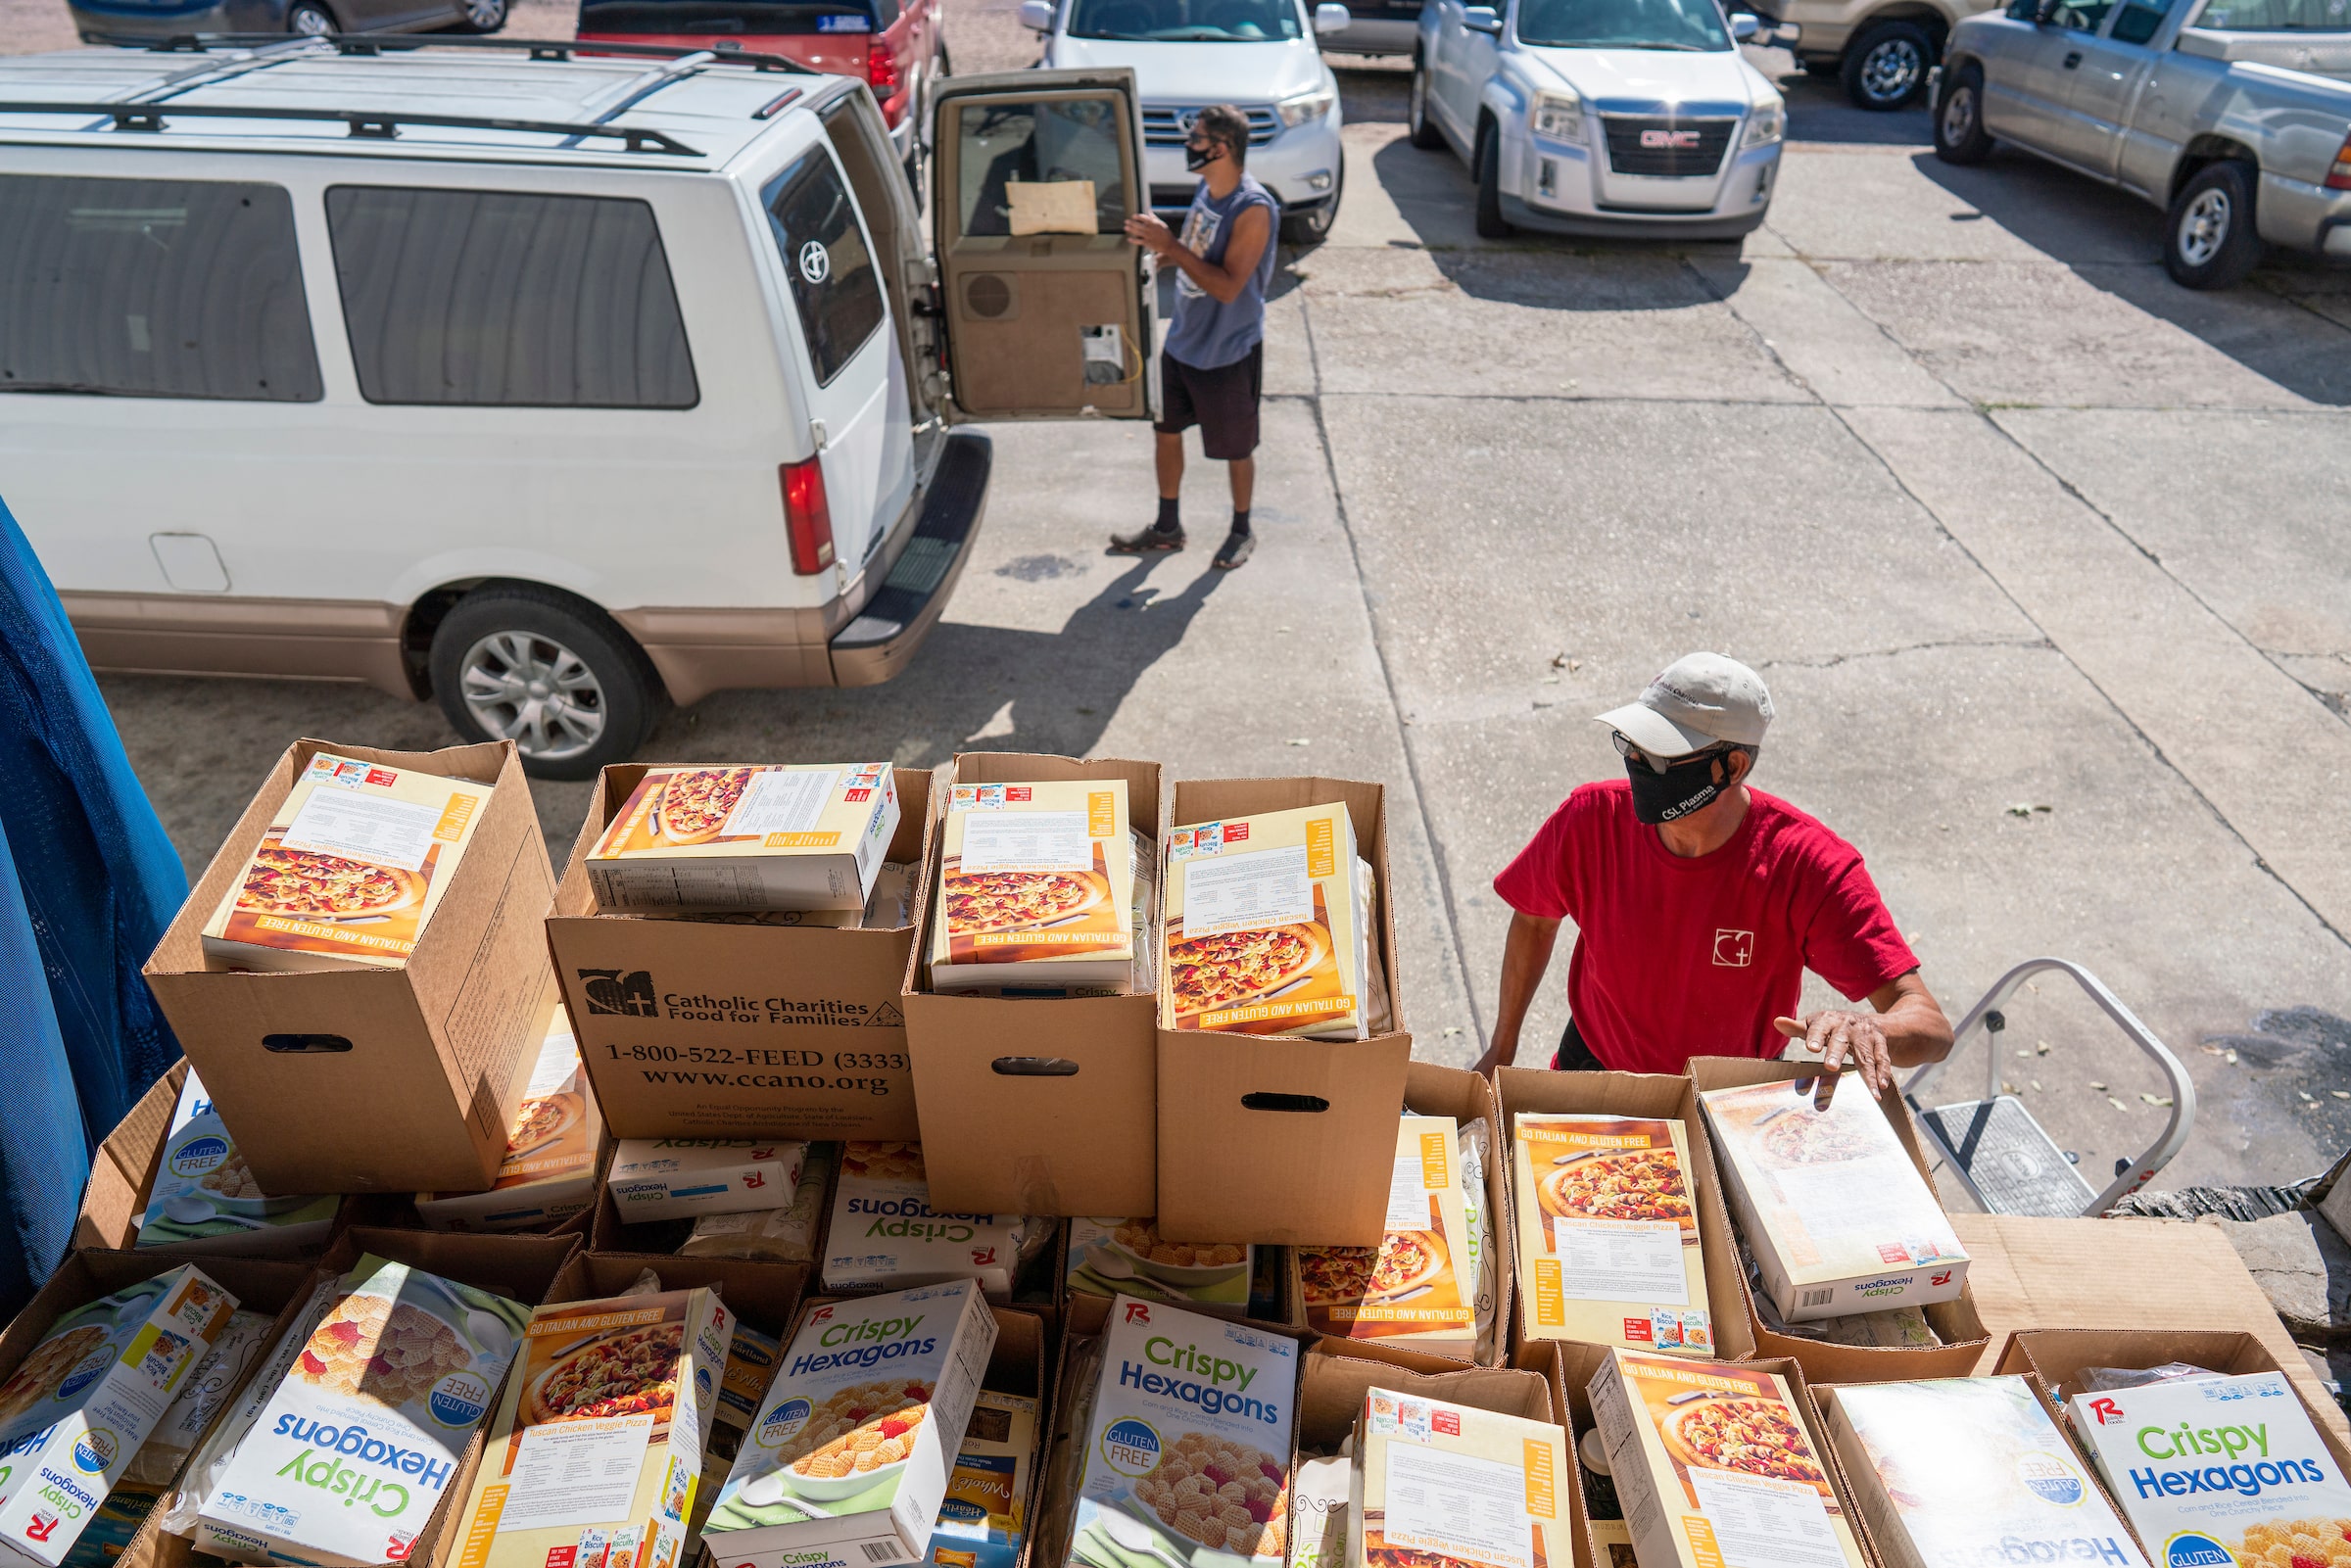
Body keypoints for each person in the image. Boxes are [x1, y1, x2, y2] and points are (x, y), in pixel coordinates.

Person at [1469, 652, 1953, 1093]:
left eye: (1660, 754)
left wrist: (1873, 1028)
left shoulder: (1809, 866)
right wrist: (1502, 1048)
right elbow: (1534, 919)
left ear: (1732, 766)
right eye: (1632, 742)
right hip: (1594, 1065)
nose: (1636, 761)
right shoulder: (1589, 817)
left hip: (1726, 1094)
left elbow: (1931, 1028)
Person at [1110, 104, 1277, 572]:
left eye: (1197, 139)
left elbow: (1226, 287)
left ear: (1221, 149)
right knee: (1165, 433)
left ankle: (1242, 530)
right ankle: (1168, 527)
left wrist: (1171, 247)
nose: (1190, 145)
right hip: (1183, 341)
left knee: (1236, 448)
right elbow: (1193, 256)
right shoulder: (1208, 190)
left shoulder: (1253, 208)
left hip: (1227, 350)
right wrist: (1153, 255)